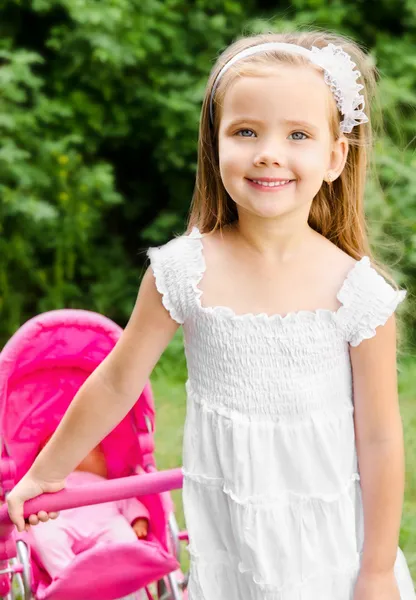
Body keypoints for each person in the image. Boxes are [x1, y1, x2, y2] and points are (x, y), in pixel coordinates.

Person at [7, 30, 416, 600]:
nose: (269, 151)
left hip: (331, 554)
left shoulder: (357, 293)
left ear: (332, 157)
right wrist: (48, 471)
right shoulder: (182, 272)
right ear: (215, 145)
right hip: (234, 551)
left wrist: (374, 570)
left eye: (297, 134)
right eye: (246, 131)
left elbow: (379, 438)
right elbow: (118, 380)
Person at [28, 438, 149, 580]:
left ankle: (114, 566)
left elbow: (130, 503)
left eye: (95, 450)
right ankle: (65, 574)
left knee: (123, 535)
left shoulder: (107, 485)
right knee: (45, 533)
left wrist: (139, 521)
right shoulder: (47, 487)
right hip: (60, 521)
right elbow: (32, 510)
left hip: (105, 524)